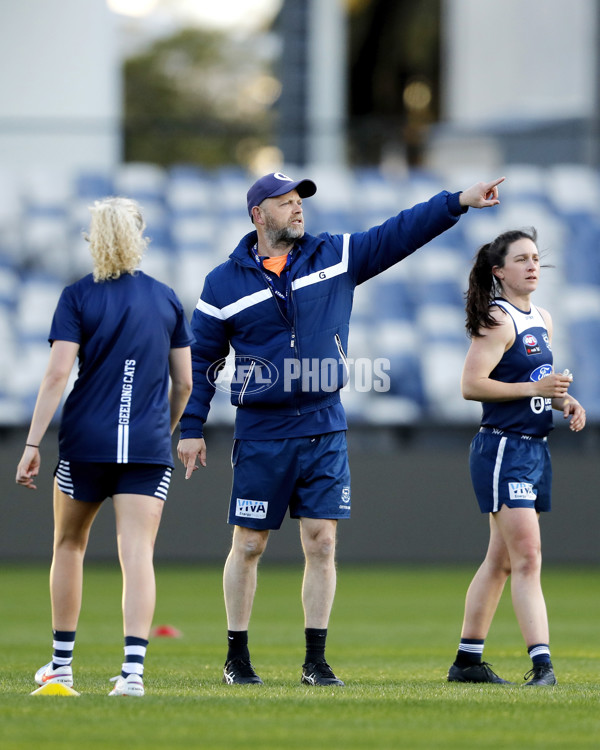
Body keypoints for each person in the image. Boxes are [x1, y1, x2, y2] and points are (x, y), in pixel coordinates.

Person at [178, 170, 504, 686]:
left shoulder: (335, 254)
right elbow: (201, 360)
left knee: (322, 542)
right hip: (262, 429)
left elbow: (400, 232)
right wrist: (192, 424)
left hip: (324, 423)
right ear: (258, 215)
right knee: (249, 544)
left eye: (298, 200)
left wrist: (457, 201)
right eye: (284, 203)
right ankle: (237, 658)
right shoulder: (223, 282)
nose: (297, 208)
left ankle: (316, 660)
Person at [16, 197, 194, 697]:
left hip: (84, 444)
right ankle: (132, 674)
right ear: (141, 238)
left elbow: (56, 374)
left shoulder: (76, 296)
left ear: (94, 238)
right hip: (146, 446)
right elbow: (184, 383)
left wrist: (32, 443)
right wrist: (167, 428)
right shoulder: (166, 298)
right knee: (137, 552)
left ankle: (61, 668)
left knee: (69, 545)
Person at [446, 228, 586, 687]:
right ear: (499, 271)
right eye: (521, 259)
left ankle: (467, 661)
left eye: (535, 258)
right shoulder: (498, 318)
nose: (532, 265)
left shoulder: (541, 318)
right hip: (503, 445)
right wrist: (534, 390)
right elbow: (471, 385)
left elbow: (537, 384)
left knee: (502, 560)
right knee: (528, 555)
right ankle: (542, 666)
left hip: (533, 446)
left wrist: (564, 402)